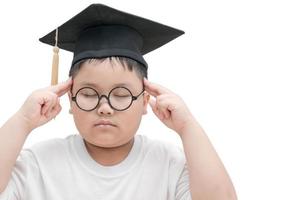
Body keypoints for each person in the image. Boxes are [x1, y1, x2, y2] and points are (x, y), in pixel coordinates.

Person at [0, 4, 237, 200]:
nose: (105, 107)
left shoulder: (169, 163)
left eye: (122, 95)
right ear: (70, 100)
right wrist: (22, 121)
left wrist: (188, 127)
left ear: (145, 101)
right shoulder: (38, 163)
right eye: (89, 95)